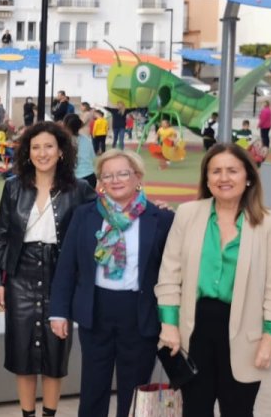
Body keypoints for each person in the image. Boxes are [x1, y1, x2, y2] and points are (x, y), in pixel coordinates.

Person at [156, 144, 271, 417]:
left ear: (249, 177)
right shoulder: (188, 214)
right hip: (194, 332)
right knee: (194, 410)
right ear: (207, 179)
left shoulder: (270, 224)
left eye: (232, 170)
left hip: (246, 335)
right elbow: (170, 275)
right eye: (215, 171)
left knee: (238, 411)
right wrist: (169, 326)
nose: (223, 178)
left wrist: (270, 340)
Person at [49, 149, 174, 417]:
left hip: (139, 313)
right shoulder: (85, 215)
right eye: (107, 175)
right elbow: (67, 266)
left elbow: (173, 274)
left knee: (135, 389)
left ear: (137, 177)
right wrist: (58, 311)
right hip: (95, 310)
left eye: (122, 173)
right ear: (100, 181)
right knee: (93, 387)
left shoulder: (161, 219)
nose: (115, 180)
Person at [0, 121, 95, 417]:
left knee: (55, 352)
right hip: (20, 274)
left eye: (49, 146)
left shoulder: (80, 189)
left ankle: (49, 413)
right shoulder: (13, 187)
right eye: (35, 147)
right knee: (21, 351)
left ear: (61, 151)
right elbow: (2, 236)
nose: (42, 153)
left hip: (60, 274)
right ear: (28, 152)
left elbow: (100, 225)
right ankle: (27, 414)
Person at [64, 113, 97, 189]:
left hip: (72, 178)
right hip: (90, 177)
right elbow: (93, 158)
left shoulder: (63, 141)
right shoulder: (87, 140)